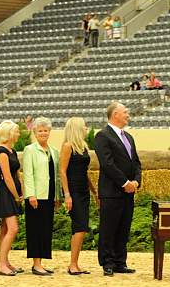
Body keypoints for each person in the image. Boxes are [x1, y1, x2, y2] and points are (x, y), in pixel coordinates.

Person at [94, 101, 142, 276]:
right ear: (115, 115)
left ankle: (120, 261)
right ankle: (107, 262)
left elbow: (136, 162)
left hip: (128, 192)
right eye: (125, 112)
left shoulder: (129, 137)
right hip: (112, 192)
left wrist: (136, 181)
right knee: (109, 228)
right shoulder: (102, 136)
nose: (128, 115)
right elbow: (107, 164)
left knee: (123, 227)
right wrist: (125, 183)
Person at [23, 117, 61, 276]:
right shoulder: (30, 150)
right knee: (35, 230)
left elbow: (56, 176)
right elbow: (28, 174)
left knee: (45, 230)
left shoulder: (54, 151)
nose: (43, 133)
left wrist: (57, 196)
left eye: (46, 130)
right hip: (36, 197)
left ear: (49, 131)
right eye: (40, 130)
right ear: (35, 132)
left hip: (49, 196)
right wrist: (31, 194)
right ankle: (36, 264)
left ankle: (41, 263)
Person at [60, 117, 98, 275]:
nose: (86, 128)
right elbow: (62, 171)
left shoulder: (83, 147)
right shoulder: (67, 146)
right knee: (80, 227)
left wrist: (94, 191)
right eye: (84, 126)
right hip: (73, 191)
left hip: (83, 191)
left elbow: (84, 171)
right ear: (76, 128)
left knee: (81, 227)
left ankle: (75, 263)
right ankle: (72, 264)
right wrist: (67, 195)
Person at [0, 120, 23, 276]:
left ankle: (5, 262)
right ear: (9, 133)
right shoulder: (2, 153)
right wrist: (16, 195)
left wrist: (22, 190)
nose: (18, 134)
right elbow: (7, 178)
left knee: (5, 229)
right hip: (6, 193)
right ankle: (1, 265)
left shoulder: (13, 151)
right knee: (13, 228)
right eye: (16, 131)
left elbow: (17, 174)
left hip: (13, 192)